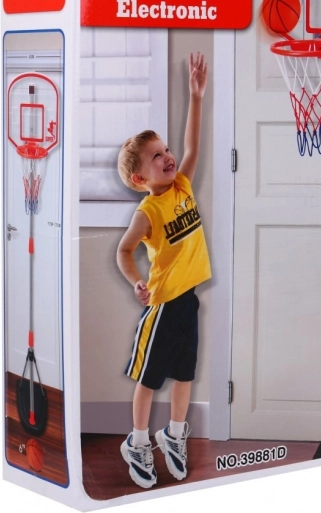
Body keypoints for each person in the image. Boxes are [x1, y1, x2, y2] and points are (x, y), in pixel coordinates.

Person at [116, 52, 211, 489]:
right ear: (140, 178)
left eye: (165, 150)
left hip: (188, 301)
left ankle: (173, 434)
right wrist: (136, 280)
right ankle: (137, 441)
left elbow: (192, 147)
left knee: (186, 375)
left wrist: (196, 97)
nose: (168, 157)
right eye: (157, 156)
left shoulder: (183, 184)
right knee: (150, 378)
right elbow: (124, 250)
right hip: (162, 306)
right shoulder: (148, 210)